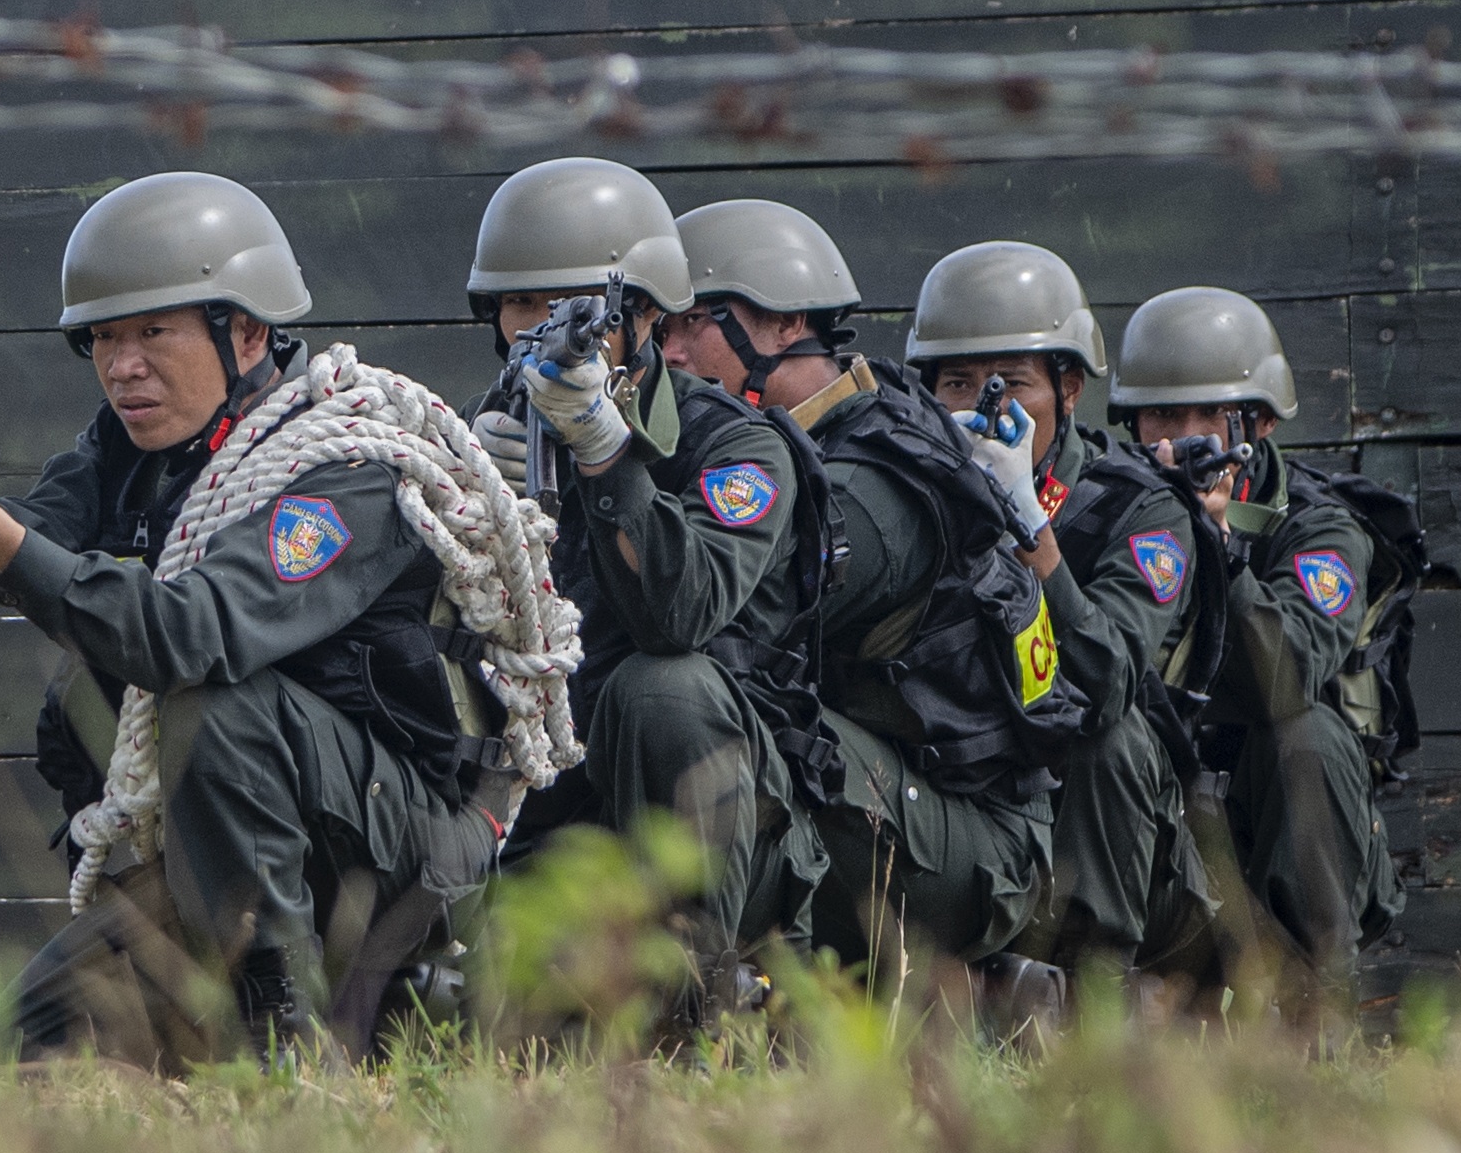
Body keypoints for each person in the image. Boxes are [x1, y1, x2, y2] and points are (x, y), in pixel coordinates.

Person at [0, 170, 511, 1065]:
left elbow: (188, 634)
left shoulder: (349, 464)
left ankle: (283, 1039)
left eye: (153, 332)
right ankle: (170, 1011)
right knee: (2, 1051)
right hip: (232, 843)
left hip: (392, 848)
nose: (123, 364)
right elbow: (30, 546)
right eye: (103, 338)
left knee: (217, 701)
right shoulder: (130, 445)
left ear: (245, 329)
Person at [663, 200, 1092, 983]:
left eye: (692, 321)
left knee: (701, 698)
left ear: (785, 322)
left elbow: (726, 615)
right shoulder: (778, 445)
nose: (672, 351)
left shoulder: (876, 470)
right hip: (893, 785)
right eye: (660, 328)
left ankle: (763, 997)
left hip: (976, 842)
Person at [461, 157, 829, 990]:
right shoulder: (474, 435)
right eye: (522, 304)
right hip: (553, 813)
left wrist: (605, 453)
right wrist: (458, 504)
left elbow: (682, 615)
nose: (541, 328)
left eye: (572, 308)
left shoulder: (735, 444)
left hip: (725, 827)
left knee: (662, 686)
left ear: (643, 315)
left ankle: (697, 990)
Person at [903, 240, 1222, 979]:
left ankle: (1099, 996)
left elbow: (1110, 678)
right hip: (972, 781)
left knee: (1105, 736)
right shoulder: (914, 496)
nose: (983, 405)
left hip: (1119, 833)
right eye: (957, 382)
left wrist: (1030, 529)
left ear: (1068, 388)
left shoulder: (1136, 507)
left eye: (1011, 382)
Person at [1105, 287, 1422, 980]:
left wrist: (1218, 546)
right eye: (1162, 414)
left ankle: (1315, 1006)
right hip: (1153, 813)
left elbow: (1284, 675)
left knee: (1308, 733)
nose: (1185, 437)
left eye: (1210, 415)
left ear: (1260, 423)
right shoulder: (1108, 508)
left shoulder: (1319, 529)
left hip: (1271, 823)